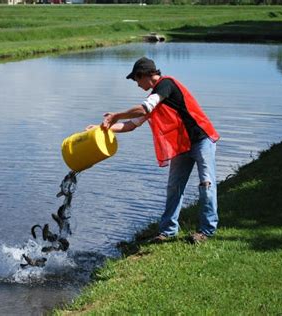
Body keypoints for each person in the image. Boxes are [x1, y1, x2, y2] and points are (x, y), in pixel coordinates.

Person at [90, 56, 220, 244]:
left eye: (136, 79)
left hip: (201, 140)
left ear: (144, 75)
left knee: (206, 184)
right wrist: (100, 128)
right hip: (182, 145)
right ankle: (168, 231)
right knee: (173, 188)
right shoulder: (156, 98)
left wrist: (116, 115)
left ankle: (206, 231)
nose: (136, 84)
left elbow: (143, 109)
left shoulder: (166, 85)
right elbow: (131, 125)